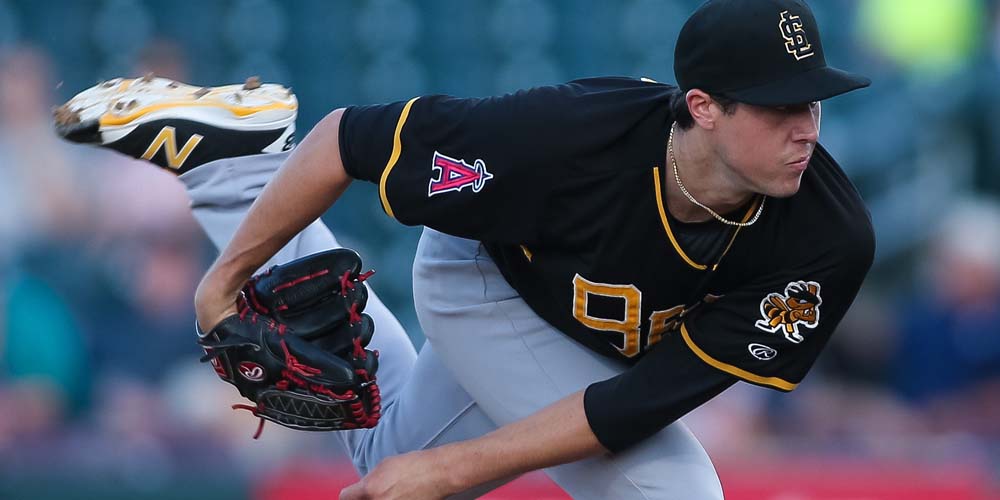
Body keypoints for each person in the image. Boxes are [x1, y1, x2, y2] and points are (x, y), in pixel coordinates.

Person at [58, 0, 875, 498]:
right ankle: (239, 168)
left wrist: (444, 472)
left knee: (396, 465)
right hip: (488, 285)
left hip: (594, 347)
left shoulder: (827, 239)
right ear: (702, 107)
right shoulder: (566, 138)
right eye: (779, 108)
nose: (806, 128)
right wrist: (226, 278)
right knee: (672, 490)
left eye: (814, 103)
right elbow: (347, 140)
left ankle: (228, 161)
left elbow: (640, 401)